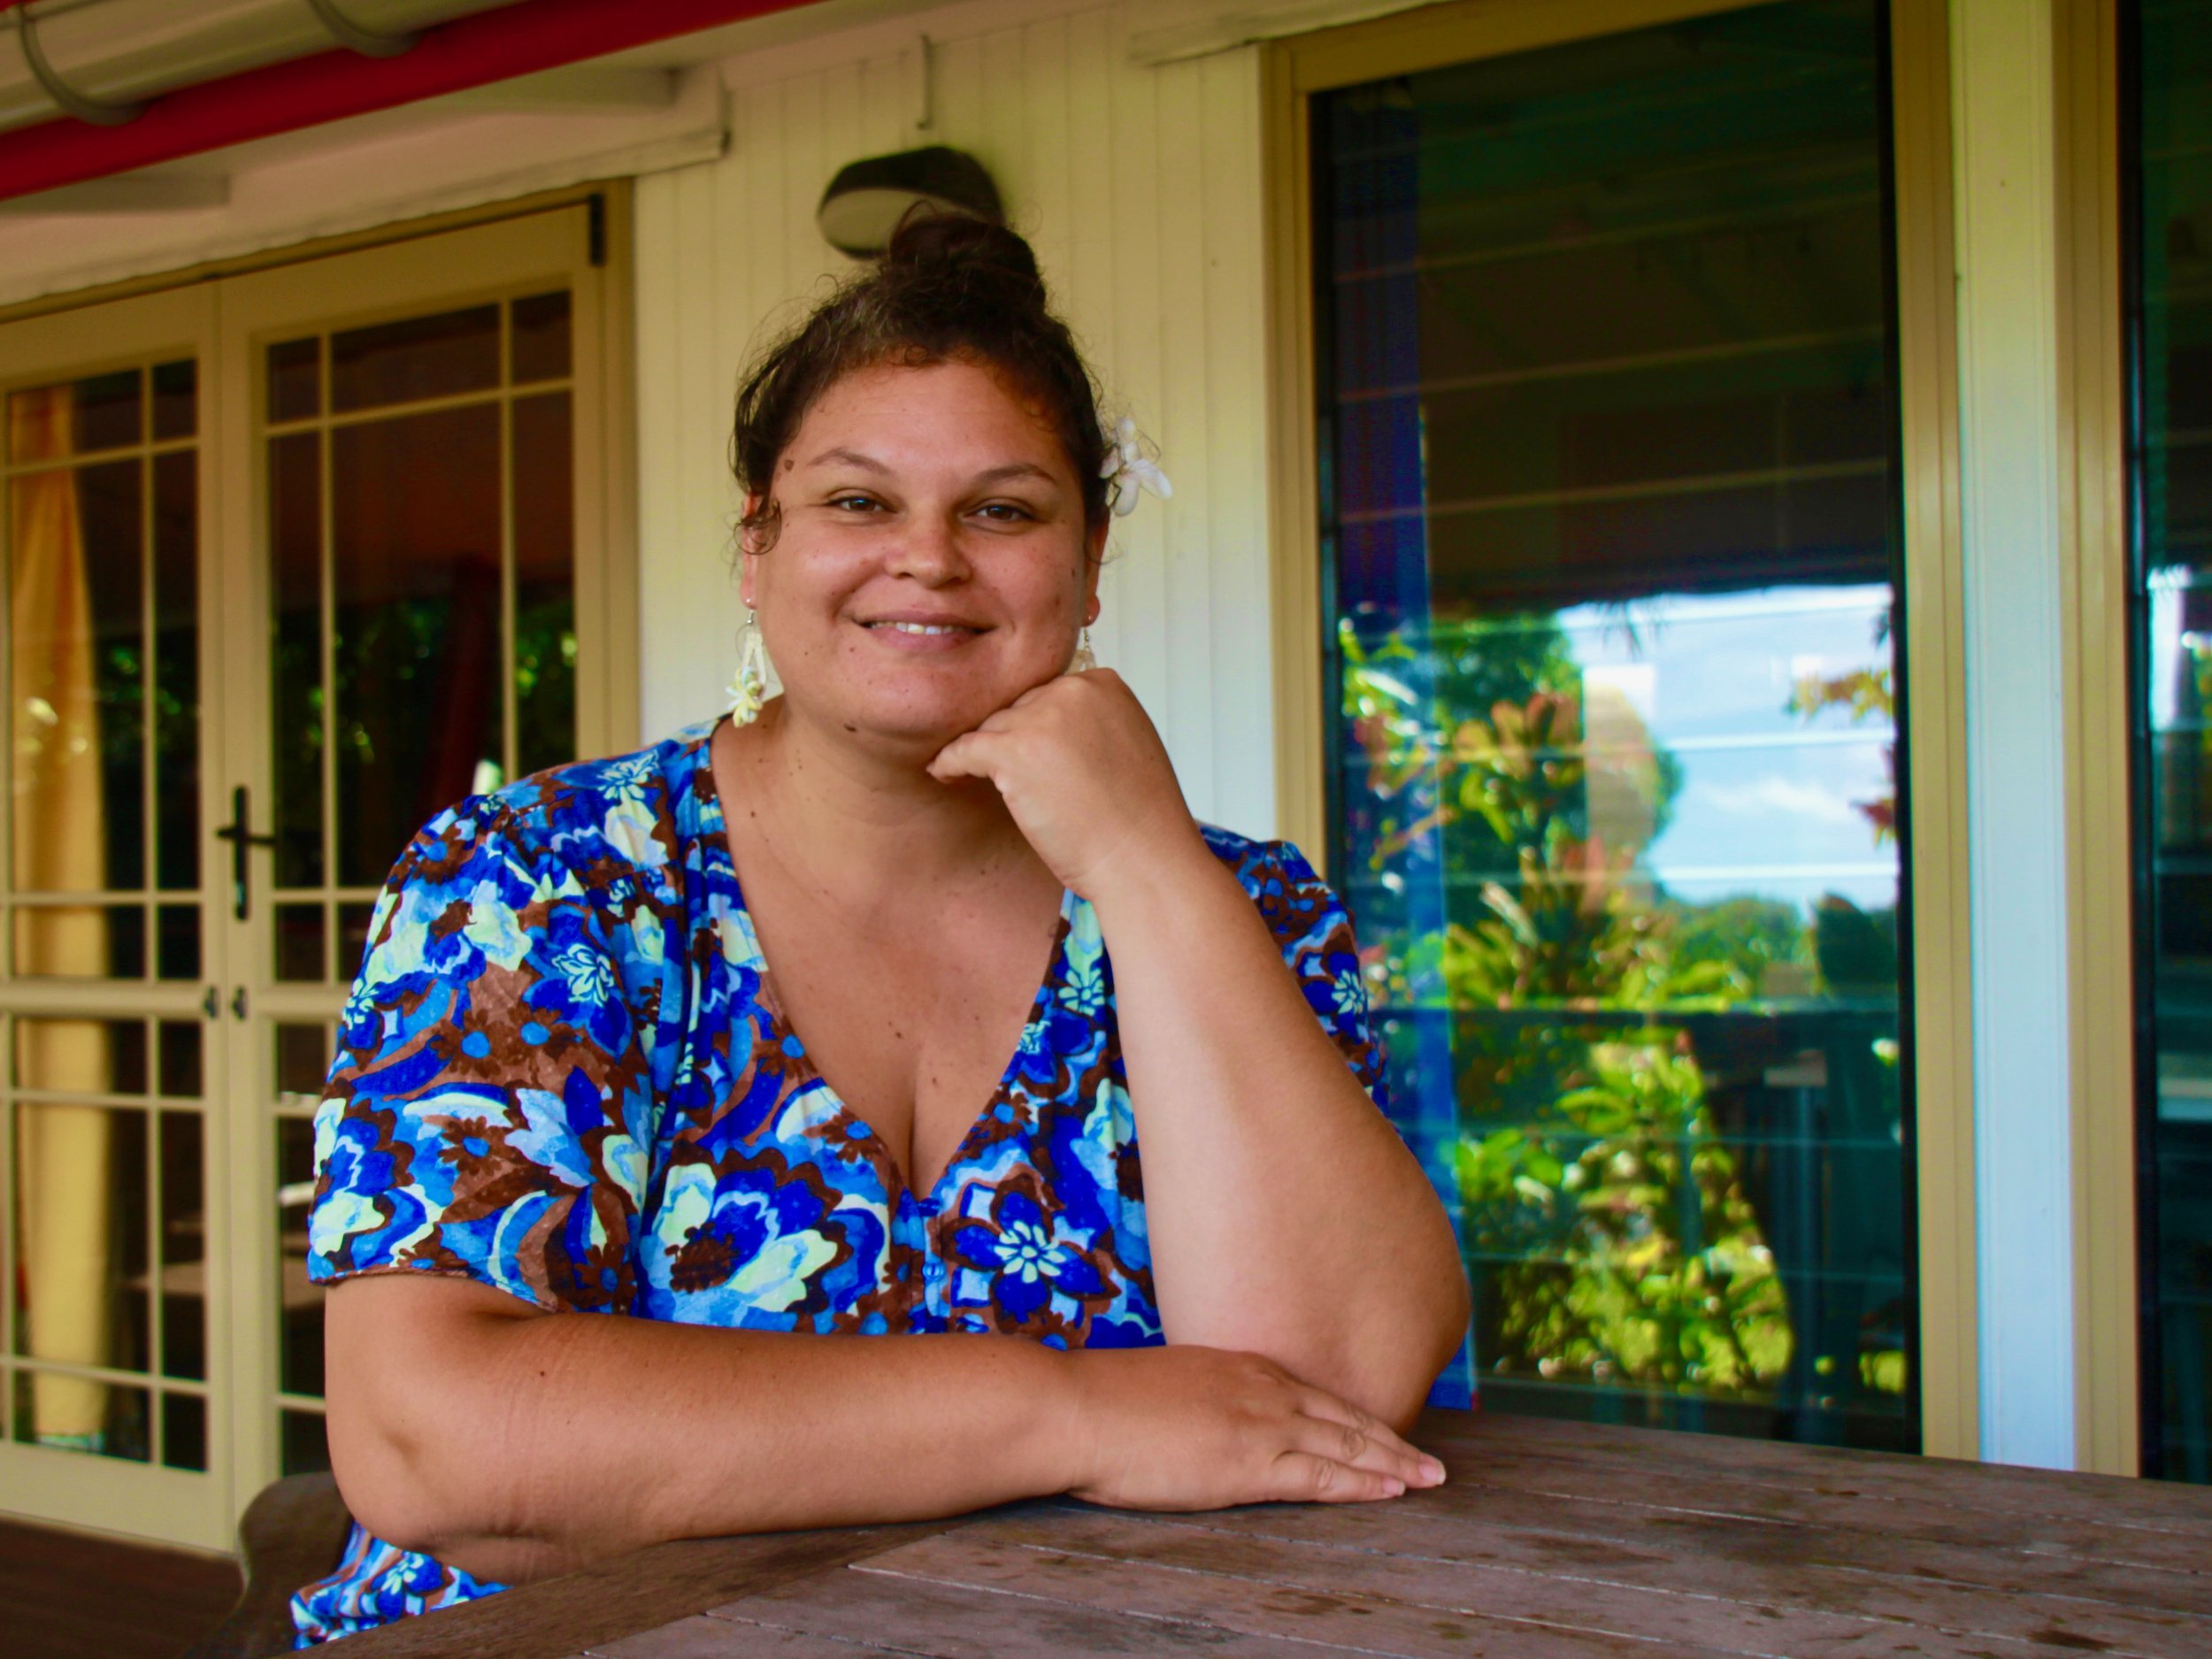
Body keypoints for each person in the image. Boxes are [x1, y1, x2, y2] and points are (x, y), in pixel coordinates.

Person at [295, 213, 1471, 1645]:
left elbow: (1330, 1393)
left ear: (1089, 569)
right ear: (756, 548)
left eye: (1004, 509)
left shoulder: (1242, 904)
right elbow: (438, 1442)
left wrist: (1144, 862)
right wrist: (1074, 1414)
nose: (927, 558)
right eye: (857, 503)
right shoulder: (543, 883)